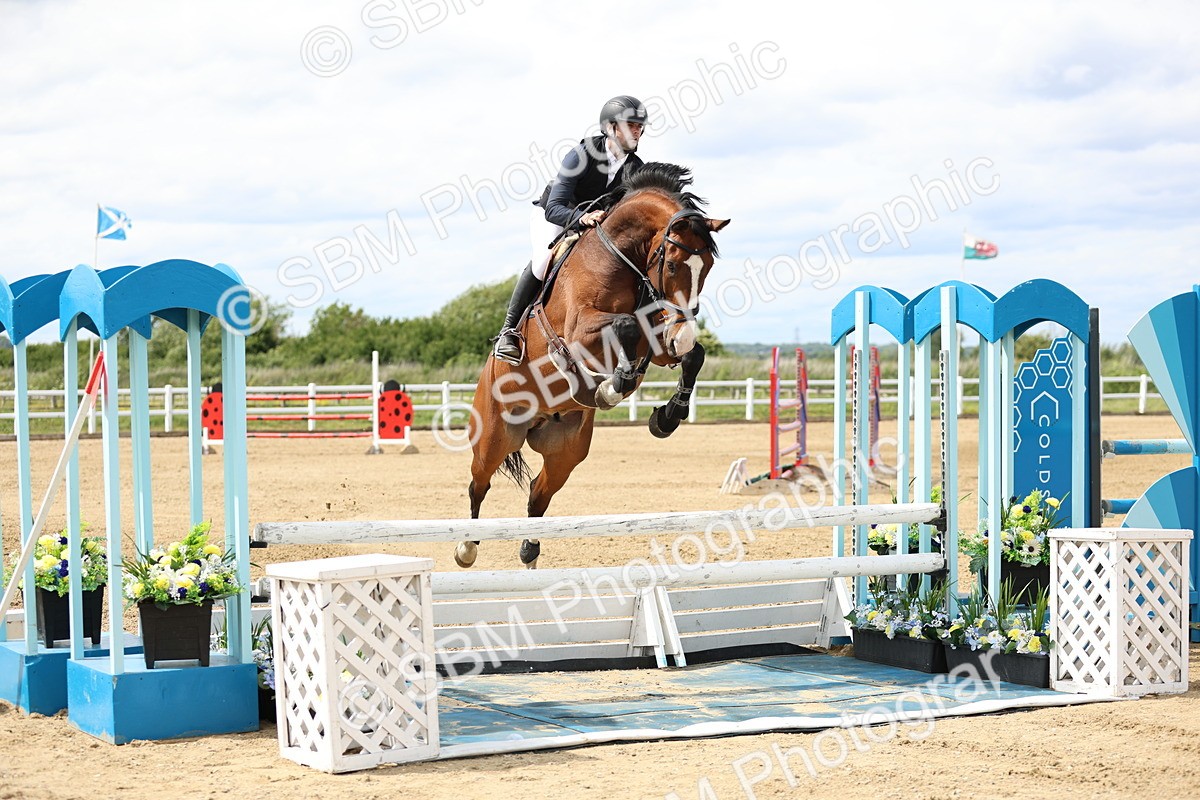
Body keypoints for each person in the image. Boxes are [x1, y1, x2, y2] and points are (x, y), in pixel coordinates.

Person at [492, 95, 648, 365]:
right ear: (612, 127)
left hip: (596, 228)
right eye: (631, 125)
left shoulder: (636, 169)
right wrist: (581, 217)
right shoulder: (581, 154)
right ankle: (508, 332)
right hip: (556, 216)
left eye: (640, 126)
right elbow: (555, 207)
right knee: (543, 261)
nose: (638, 131)